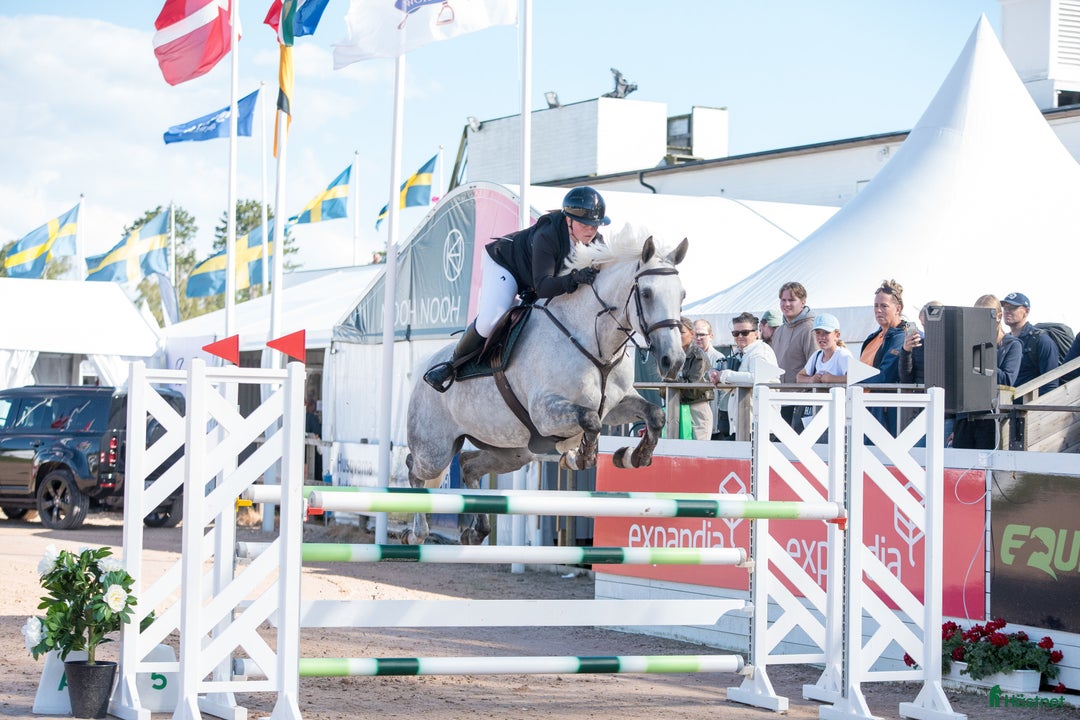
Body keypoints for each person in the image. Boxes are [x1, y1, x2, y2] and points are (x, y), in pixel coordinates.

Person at [423, 186, 609, 392]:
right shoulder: (548, 236)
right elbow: (545, 287)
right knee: (491, 320)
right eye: (585, 224)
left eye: (596, 225)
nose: (591, 230)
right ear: (568, 220)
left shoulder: (597, 242)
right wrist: (574, 278)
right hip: (506, 265)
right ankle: (451, 365)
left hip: (532, 276)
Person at [952, 295, 1022, 449]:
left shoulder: (1012, 345)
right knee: (961, 469)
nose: (978, 320)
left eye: (983, 315)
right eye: (975, 315)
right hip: (965, 416)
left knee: (986, 469)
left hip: (991, 417)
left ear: (998, 317)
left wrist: (981, 360)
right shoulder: (967, 342)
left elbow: (1007, 380)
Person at [708, 312, 780, 440]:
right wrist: (714, 373)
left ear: (756, 333)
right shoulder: (738, 353)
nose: (739, 336)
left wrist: (724, 375)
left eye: (745, 333)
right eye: (735, 333)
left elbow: (757, 378)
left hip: (758, 425)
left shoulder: (761, 351)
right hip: (741, 423)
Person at [860, 279, 914, 434]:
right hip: (864, 408)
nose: (878, 310)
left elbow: (885, 376)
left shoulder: (906, 333)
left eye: (884, 306)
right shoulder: (873, 337)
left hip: (886, 414)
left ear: (898, 308)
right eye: (876, 306)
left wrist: (853, 380)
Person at [770, 282, 816, 429]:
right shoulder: (779, 330)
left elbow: (815, 365)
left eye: (791, 300)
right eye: (783, 300)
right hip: (778, 399)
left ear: (803, 302)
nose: (786, 304)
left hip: (801, 401)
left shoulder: (810, 329)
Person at [1002, 291, 1060, 396]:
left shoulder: (1041, 340)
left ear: (1026, 311)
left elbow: (1051, 385)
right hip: (1006, 407)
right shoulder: (1004, 341)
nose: (1006, 311)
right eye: (1005, 308)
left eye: (1012, 308)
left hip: (1029, 409)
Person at [667, 317, 713, 440]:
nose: (677, 336)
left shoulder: (698, 356)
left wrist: (672, 383)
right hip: (675, 408)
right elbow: (662, 388)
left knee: (698, 451)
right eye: (674, 332)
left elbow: (693, 389)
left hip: (696, 408)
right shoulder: (671, 354)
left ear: (692, 334)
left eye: (681, 332)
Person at [797, 313, 852, 384]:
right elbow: (799, 377)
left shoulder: (843, 355)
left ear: (837, 335)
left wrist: (832, 379)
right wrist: (811, 379)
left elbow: (855, 378)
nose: (821, 337)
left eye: (826, 332)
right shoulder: (817, 355)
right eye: (818, 332)